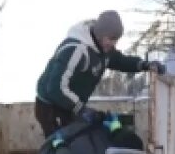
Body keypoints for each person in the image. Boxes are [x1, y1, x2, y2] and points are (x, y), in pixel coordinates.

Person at [35, 11, 166, 137]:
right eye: (111, 39)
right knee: (61, 146)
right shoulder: (76, 50)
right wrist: (81, 109)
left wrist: (145, 65)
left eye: (116, 40)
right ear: (100, 34)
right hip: (50, 106)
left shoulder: (103, 49)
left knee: (79, 140)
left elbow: (120, 61)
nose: (113, 43)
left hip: (69, 105)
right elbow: (55, 88)